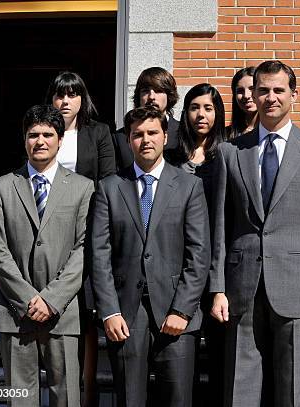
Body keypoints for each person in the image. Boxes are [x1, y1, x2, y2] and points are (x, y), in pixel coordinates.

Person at [210, 60, 300, 407]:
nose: (270, 97)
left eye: (278, 90)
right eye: (263, 90)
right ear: (253, 94)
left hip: (298, 289)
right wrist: (218, 287)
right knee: (240, 388)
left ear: (294, 95)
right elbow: (220, 227)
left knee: (293, 390)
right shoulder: (229, 152)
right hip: (241, 286)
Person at [91, 106, 210, 407]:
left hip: (176, 309)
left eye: (152, 132)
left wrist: (183, 310)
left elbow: (199, 253)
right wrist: (109, 311)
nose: (145, 140)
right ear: (129, 140)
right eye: (137, 134)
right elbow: (99, 254)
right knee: (130, 399)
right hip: (126, 314)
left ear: (165, 136)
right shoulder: (109, 188)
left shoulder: (189, 186)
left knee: (178, 399)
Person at [0, 105, 94, 407]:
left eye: (48, 134)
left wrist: (51, 299)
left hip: (63, 312)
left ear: (60, 140)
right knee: (19, 397)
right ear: (24, 140)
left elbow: (83, 249)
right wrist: (27, 299)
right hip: (15, 313)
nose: (40, 141)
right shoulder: (3, 187)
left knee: (67, 397)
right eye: (33, 135)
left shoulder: (83, 188)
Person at [45, 70, 116, 407]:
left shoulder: (98, 132)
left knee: (86, 312)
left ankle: (88, 391)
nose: (65, 101)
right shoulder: (46, 133)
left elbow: (107, 181)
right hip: (51, 230)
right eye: (60, 94)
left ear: (81, 99)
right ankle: (63, 387)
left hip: (87, 228)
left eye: (72, 94)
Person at [172, 83, 226, 405]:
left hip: (218, 268)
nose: (201, 114)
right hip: (181, 268)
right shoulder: (172, 157)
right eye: (194, 107)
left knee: (220, 357)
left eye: (208, 108)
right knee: (182, 359)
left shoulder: (229, 154)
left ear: (217, 113)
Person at [112, 67, 180, 169]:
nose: (151, 97)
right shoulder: (120, 138)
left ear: (169, 95)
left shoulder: (183, 132)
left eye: (158, 90)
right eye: (145, 91)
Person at [226, 66, 258, 139]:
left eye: (252, 89)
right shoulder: (225, 135)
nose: (246, 96)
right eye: (240, 91)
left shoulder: (272, 132)